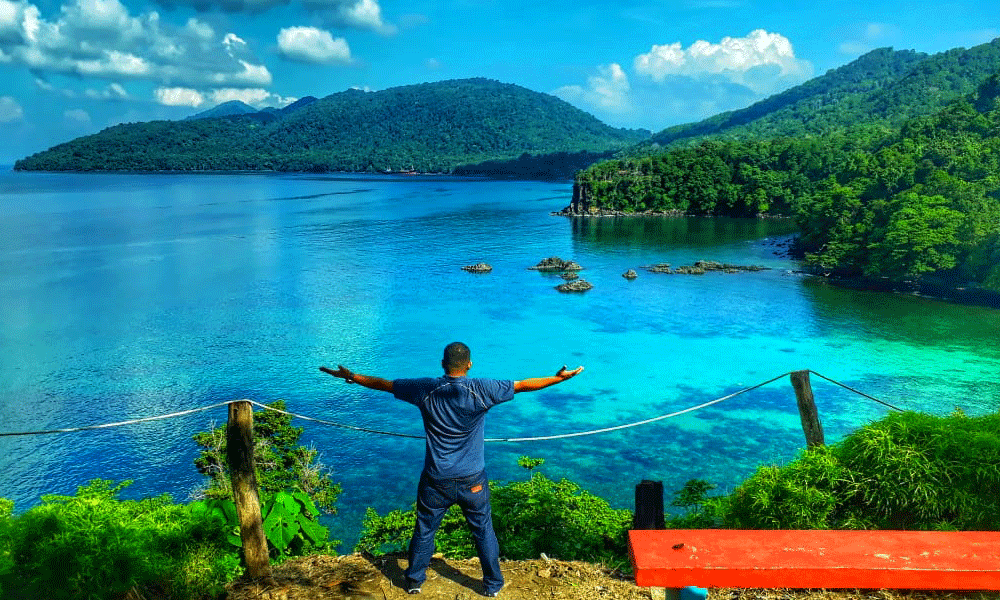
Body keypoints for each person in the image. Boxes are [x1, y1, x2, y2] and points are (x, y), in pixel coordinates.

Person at [320, 342, 584, 597]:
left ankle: (414, 582)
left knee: (425, 530)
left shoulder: (425, 388)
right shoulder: (483, 389)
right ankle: (492, 585)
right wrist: (558, 378)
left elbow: (385, 385)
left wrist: (353, 375)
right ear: (469, 364)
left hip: (436, 479)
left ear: (443, 364)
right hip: (473, 480)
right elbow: (524, 385)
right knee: (483, 531)